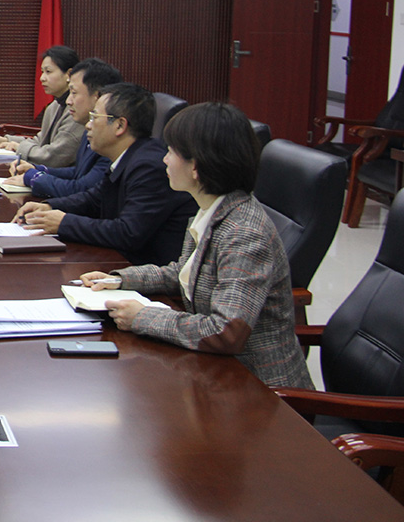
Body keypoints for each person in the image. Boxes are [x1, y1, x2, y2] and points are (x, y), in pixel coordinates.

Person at [78, 103, 313, 388]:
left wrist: (144, 318)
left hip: (260, 390)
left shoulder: (243, 233)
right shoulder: (211, 209)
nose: (164, 159)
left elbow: (225, 332)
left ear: (197, 166)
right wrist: (119, 279)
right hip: (215, 371)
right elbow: (184, 272)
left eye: (171, 151)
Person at [13, 82, 194, 266]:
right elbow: (95, 199)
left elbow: (128, 233)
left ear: (119, 125)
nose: (88, 126)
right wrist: (49, 207)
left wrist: (64, 223)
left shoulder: (149, 166)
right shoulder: (128, 156)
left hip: (147, 271)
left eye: (94, 117)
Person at [0, 57, 122, 198]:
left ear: (97, 96)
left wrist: (33, 178)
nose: (68, 101)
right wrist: (38, 169)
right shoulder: (88, 127)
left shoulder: (111, 139)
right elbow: (77, 172)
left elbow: (81, 188)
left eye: (74, 93)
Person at [0, 45, 82, 167]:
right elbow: (40, 141)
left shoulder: (78, 110)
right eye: (42, 72)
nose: (42, 78)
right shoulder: (54, 106)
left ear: (69, 74)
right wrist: (6, 141)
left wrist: (19, 148)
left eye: (48, 72)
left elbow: (55, 156)